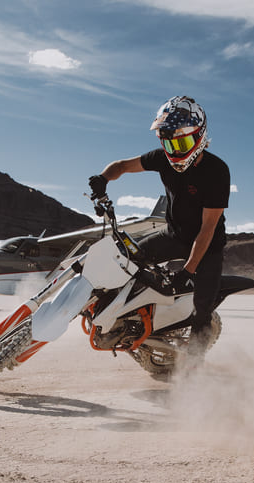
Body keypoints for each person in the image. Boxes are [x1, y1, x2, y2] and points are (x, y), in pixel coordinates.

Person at [88, 95, 230, 361]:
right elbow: (121, 166)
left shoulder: (217, 171)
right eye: (168, 142)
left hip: (206, 245)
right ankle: (125, 323)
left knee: (202, 308)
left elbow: (208, 228)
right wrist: (102, 178)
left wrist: (188, 270)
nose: (175, 150)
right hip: (173, 234)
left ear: (199, 137)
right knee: (125, 262)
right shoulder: (162, 158)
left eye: (183, 142)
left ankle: (193, 368)